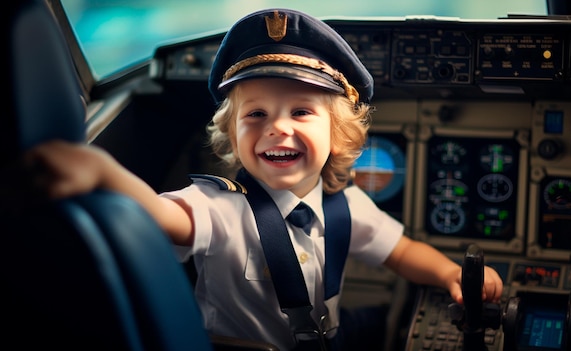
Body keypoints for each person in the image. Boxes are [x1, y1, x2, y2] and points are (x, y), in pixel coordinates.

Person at [27, 8, 502, 351]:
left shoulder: (344, 203)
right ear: (232, 137)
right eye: (256, 114)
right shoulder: (217, 207)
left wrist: (448, 274)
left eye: (300, 111)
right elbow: (159, 216)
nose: (278, 127)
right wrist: (102, 171)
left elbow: (400, 251)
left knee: (389, 325)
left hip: (326, 338)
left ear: (337, 135)